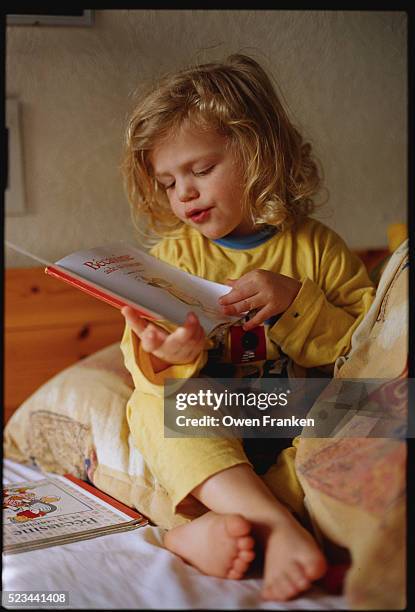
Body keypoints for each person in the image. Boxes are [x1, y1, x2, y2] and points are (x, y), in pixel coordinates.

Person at [119, 54, 375, 601]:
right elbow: (143, 368)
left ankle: (202, 531)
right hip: (217, 430)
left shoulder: (318, 248)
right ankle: (271, 523)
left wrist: (295, 303)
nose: (182, 193)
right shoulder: (169, 260)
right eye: (167, 182)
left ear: (260, 155)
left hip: (291, 419)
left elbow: (362, 353)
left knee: (381, 408)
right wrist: (173, 353)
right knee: (150, 409)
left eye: (201, 170)